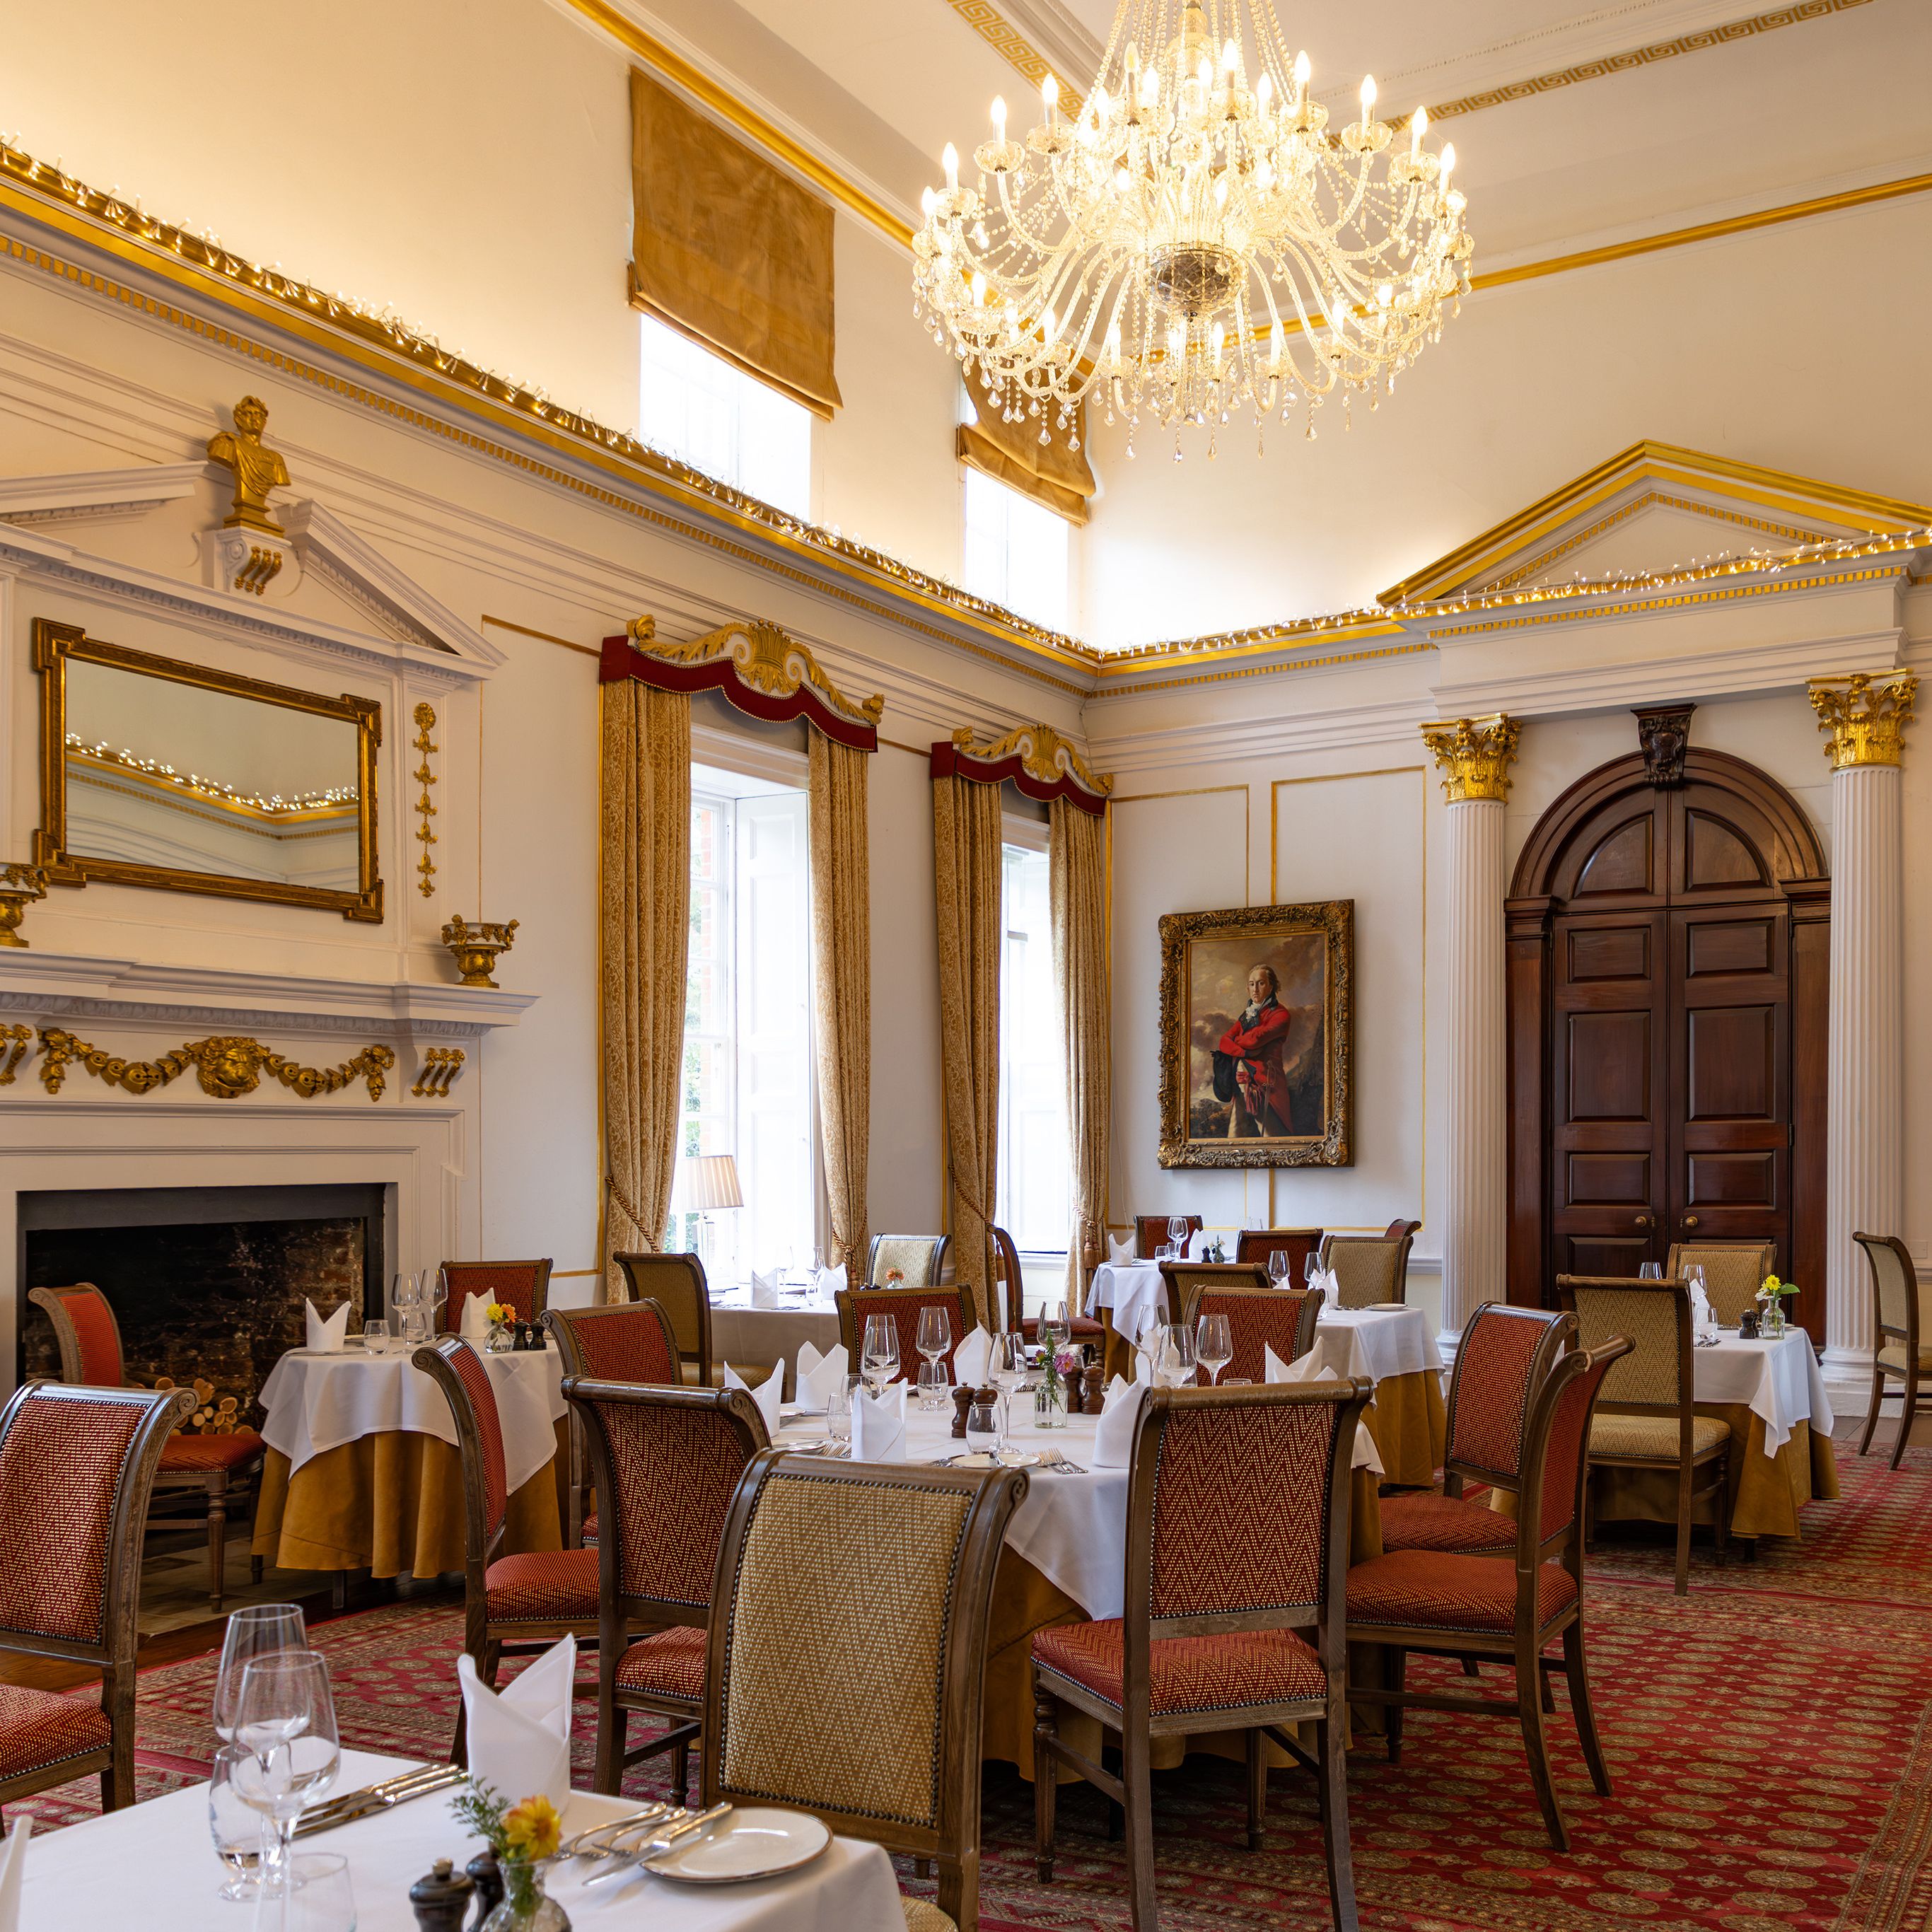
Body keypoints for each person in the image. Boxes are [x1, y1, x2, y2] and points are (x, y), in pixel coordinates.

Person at [1212, 963, 1293, 1136]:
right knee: (1236, 1134)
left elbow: (1256, 1039)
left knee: (1271, 1135)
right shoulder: (1247, 1015)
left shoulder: (1280, 1014)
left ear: (1271, 986)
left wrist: (1238, 1041)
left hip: (1266, 1083)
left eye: (1261, 983)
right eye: (1251, 984)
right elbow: (1224, 1041)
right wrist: (1245, 1053)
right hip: (1240, 1080)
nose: (1255, 989)